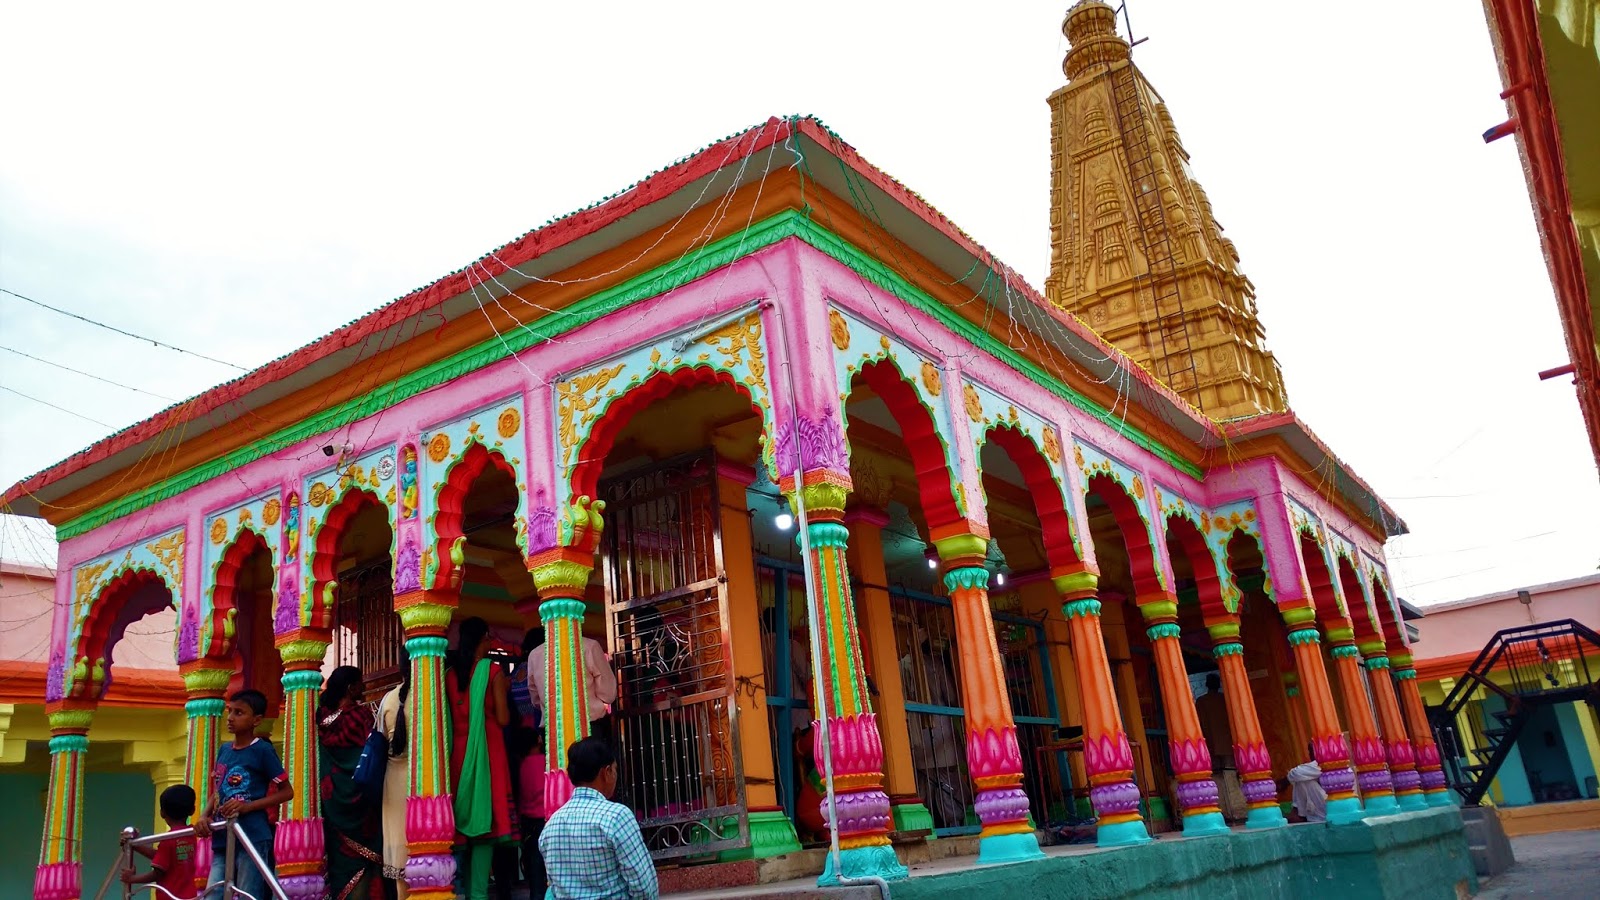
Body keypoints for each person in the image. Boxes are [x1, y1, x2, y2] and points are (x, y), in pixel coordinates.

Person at [196, 689, 294, 900]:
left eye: (239, 713)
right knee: (213, 894)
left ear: (256, 720)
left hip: (252, 835)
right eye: (230, 711)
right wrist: (204, 815)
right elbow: (218, 790)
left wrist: (247, 807)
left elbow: (287, 792)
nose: (230, 718)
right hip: (223, 835)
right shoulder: (224, 750)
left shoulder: (262, 750)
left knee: (248, 894)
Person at [448, 617, 517, 900]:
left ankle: (465, 891)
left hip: (459, 755)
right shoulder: (492, 671)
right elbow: (503, 718)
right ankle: (478, 894)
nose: (491, 642)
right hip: (489, 750)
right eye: (489, 637)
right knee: (487, 819)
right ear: (481, 640)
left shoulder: (450, 675)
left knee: (463, 822)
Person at [540, 737, 658, 900]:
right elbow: (644, 887)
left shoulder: (551, 826)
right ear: (606, 772)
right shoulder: (617, 816)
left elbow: (554, 887)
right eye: (615, 770)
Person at [318, 665, 383, 900]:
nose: (364, 687)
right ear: (350, 687)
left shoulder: (320, 718)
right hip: (360, 801)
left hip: (332, 799)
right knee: (367, 857)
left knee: (340, 857)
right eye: (360, 683)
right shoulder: (360, 716)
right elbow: (372, 754)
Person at [528, 628, 617, 739]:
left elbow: (535, 698)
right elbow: (608, 694)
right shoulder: (589, 646)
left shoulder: (535, 654)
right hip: (588, 725)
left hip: (553, 730)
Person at [122, 784, 198, 900]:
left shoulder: (169, 839)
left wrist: (131, 879)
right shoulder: (190, 834)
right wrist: (135, 845)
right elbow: (164, 857)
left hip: (169, 897)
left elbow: (158, 873)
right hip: (190, 896)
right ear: (192, 810)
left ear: (162, 813)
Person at [380, 651, 412, 899]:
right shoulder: (427, 695)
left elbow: (379, 738)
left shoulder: (388, 699)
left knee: (399, 849)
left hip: (393, 780)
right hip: (418, 777)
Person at [1194, 672, 1247, 823]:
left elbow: (1201, 724)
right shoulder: (1224, 700)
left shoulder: (1203, 701)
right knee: (1230, 775)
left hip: (1212, 744)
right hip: (1226, 742)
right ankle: (1235, 808)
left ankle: (1223, 808)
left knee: (1216, 776)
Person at [514, 726, 548, 898]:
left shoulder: (521, 766)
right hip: (546, 820)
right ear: (538, 740)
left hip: (529, 824)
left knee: (535, 875)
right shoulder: (546, 761)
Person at [1287, 744, 1327, 824]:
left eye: (1312, 751)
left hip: (1330, 809)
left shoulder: (1324, 763)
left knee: (1304, 780)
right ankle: (1299, 811)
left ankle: (1300, 813)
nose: (1311, 754)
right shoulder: (1314, 766)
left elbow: (1295, 773)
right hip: (1325, 805)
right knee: (1303, 778)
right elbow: (1293, 775)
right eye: (1310, 751)